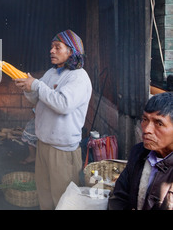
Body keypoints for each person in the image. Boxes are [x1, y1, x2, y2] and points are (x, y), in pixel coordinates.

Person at [15, 29, 92, 210]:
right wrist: (28, 88)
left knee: (63, 201)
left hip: (62, 151)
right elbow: (37, 98)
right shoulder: (52, 73)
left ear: (71, 51)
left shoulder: (79, 77)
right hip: (43, 145)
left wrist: (36, 84)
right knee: (45, 196)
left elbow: (63, 104)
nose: (52, 51)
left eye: (57, 47)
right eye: (51, 47)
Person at [108, 92, 173, 210]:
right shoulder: (138, 153)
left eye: (159, 123)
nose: (147, 129)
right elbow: (119, 198)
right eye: (145, 119)